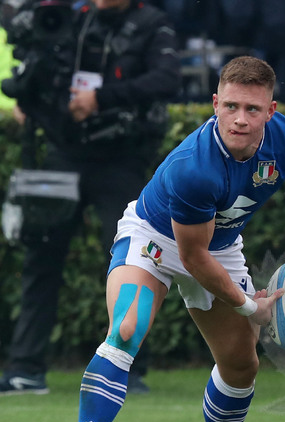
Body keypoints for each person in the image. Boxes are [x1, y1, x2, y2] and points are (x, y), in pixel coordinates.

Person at [47, 55, 285, 422]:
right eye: (230, 107)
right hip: (154, 239)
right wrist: (250, 306)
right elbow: (192, 258)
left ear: (271, 111)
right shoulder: (195, 166)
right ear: (214, 103)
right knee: (127, 328)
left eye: (251, 109)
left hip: (219, 247)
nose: (239, 119)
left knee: (241, 364)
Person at [0, 0, 182, 395]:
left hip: (121, 159)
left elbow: (168, 79)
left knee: (132, 262)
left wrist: (102, 99)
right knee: (41, 258)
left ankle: (128, 368)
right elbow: (47, 70)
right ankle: (26, 370)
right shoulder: (71, 20)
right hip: (63, 155)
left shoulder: (152, 23)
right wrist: (34, 100)